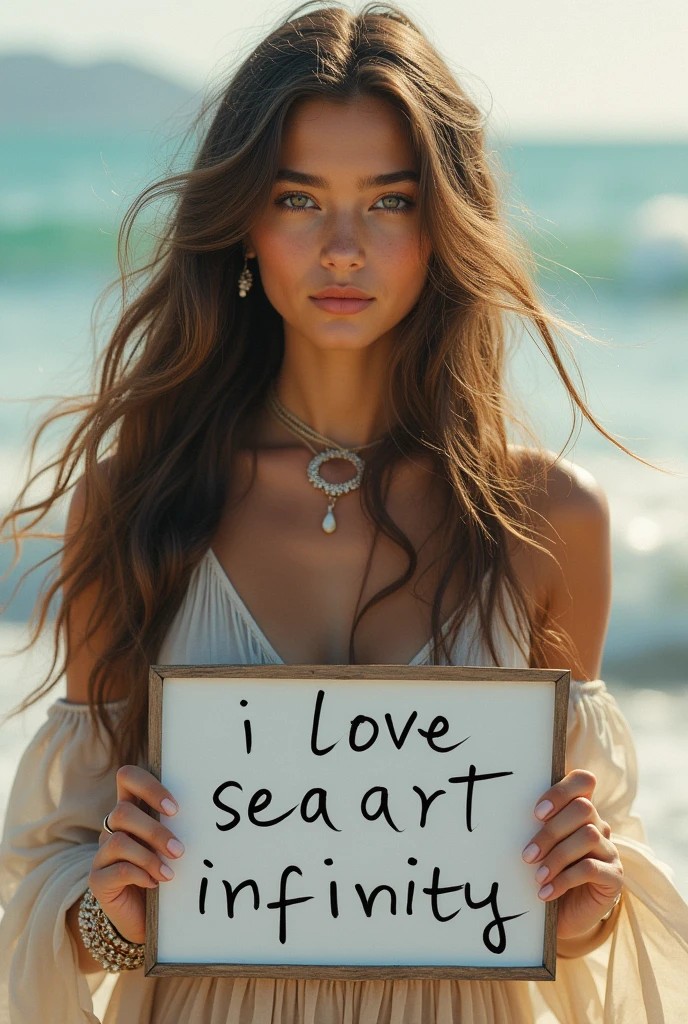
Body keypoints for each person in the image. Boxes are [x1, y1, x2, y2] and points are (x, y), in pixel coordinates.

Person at [1, 3, 687, 1021]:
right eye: (298, 198)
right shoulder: (137, 504)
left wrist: (583, 902)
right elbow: (51, 880)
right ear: (243, 221)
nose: (341, 248)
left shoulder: (546, 521)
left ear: (444, 224)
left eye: (389, 202)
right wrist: (115, 913)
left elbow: (571, 907)